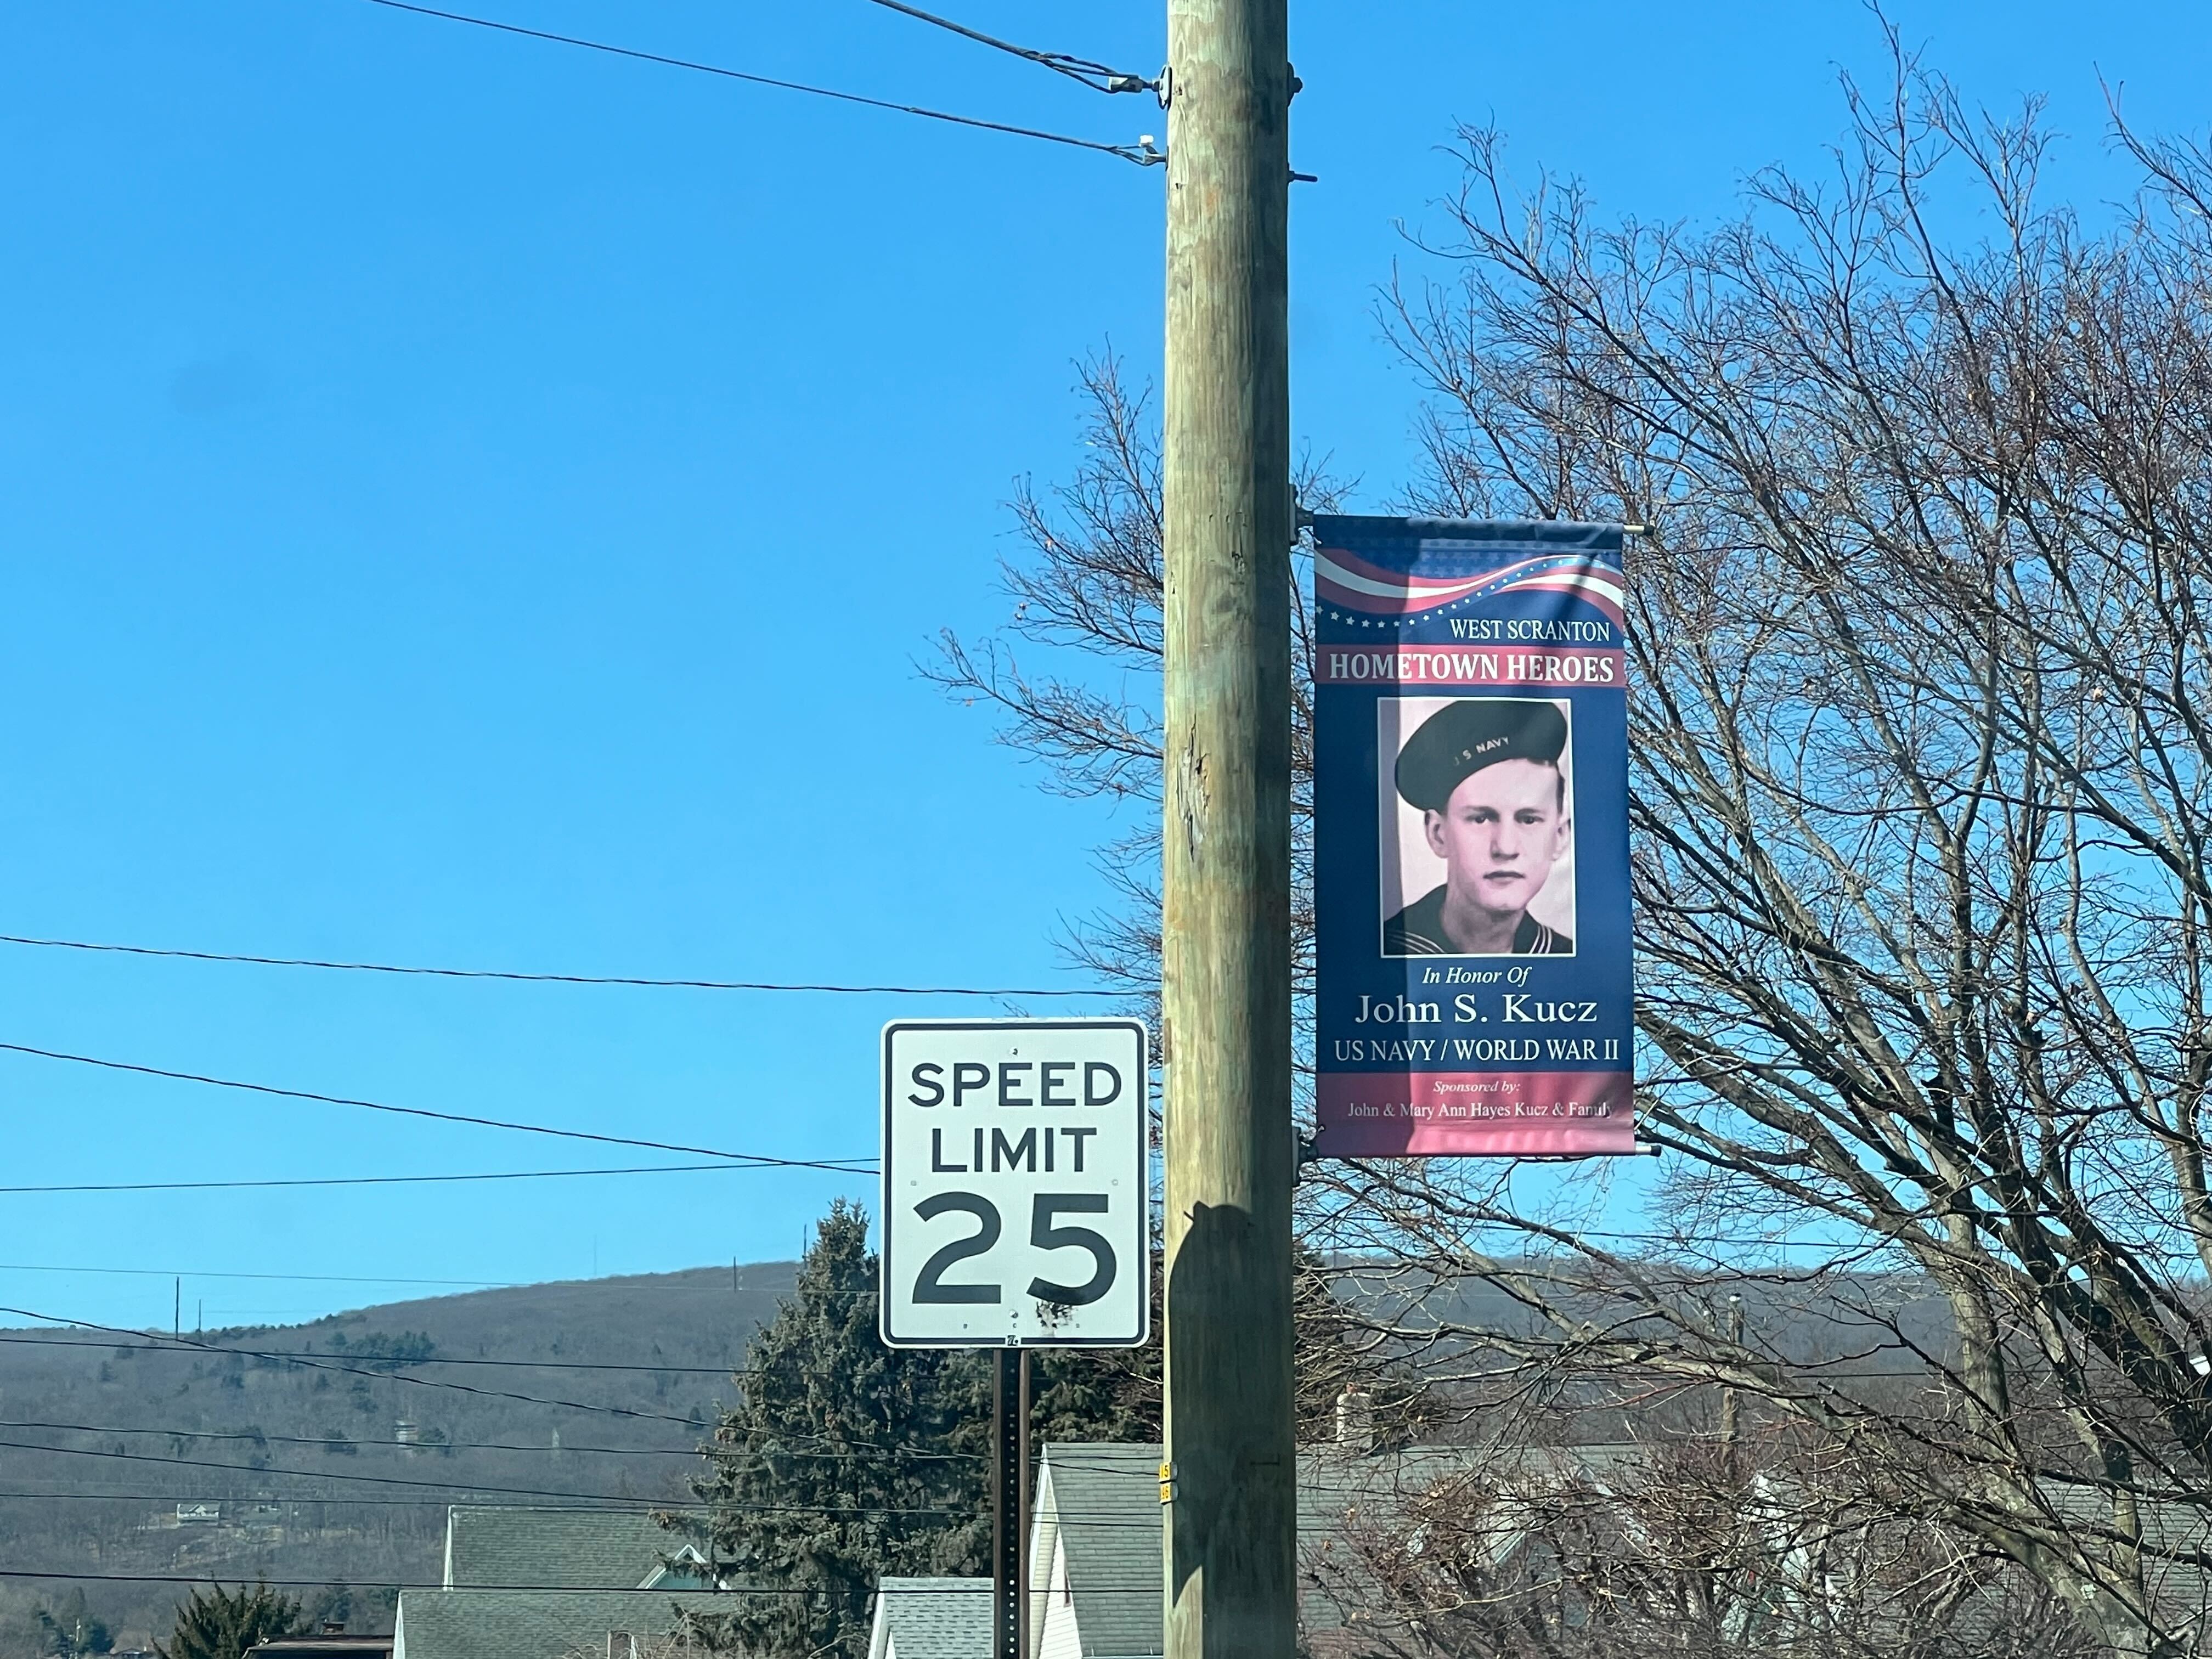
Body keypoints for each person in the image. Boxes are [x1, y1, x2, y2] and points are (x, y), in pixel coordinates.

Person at [1383, 699, 1574, 956]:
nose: (1505, 848)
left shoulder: (1567, 957)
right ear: (1438, 834)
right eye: (1481, 819)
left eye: (1528, 819)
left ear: (1560, 835)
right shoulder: (1381, 953)